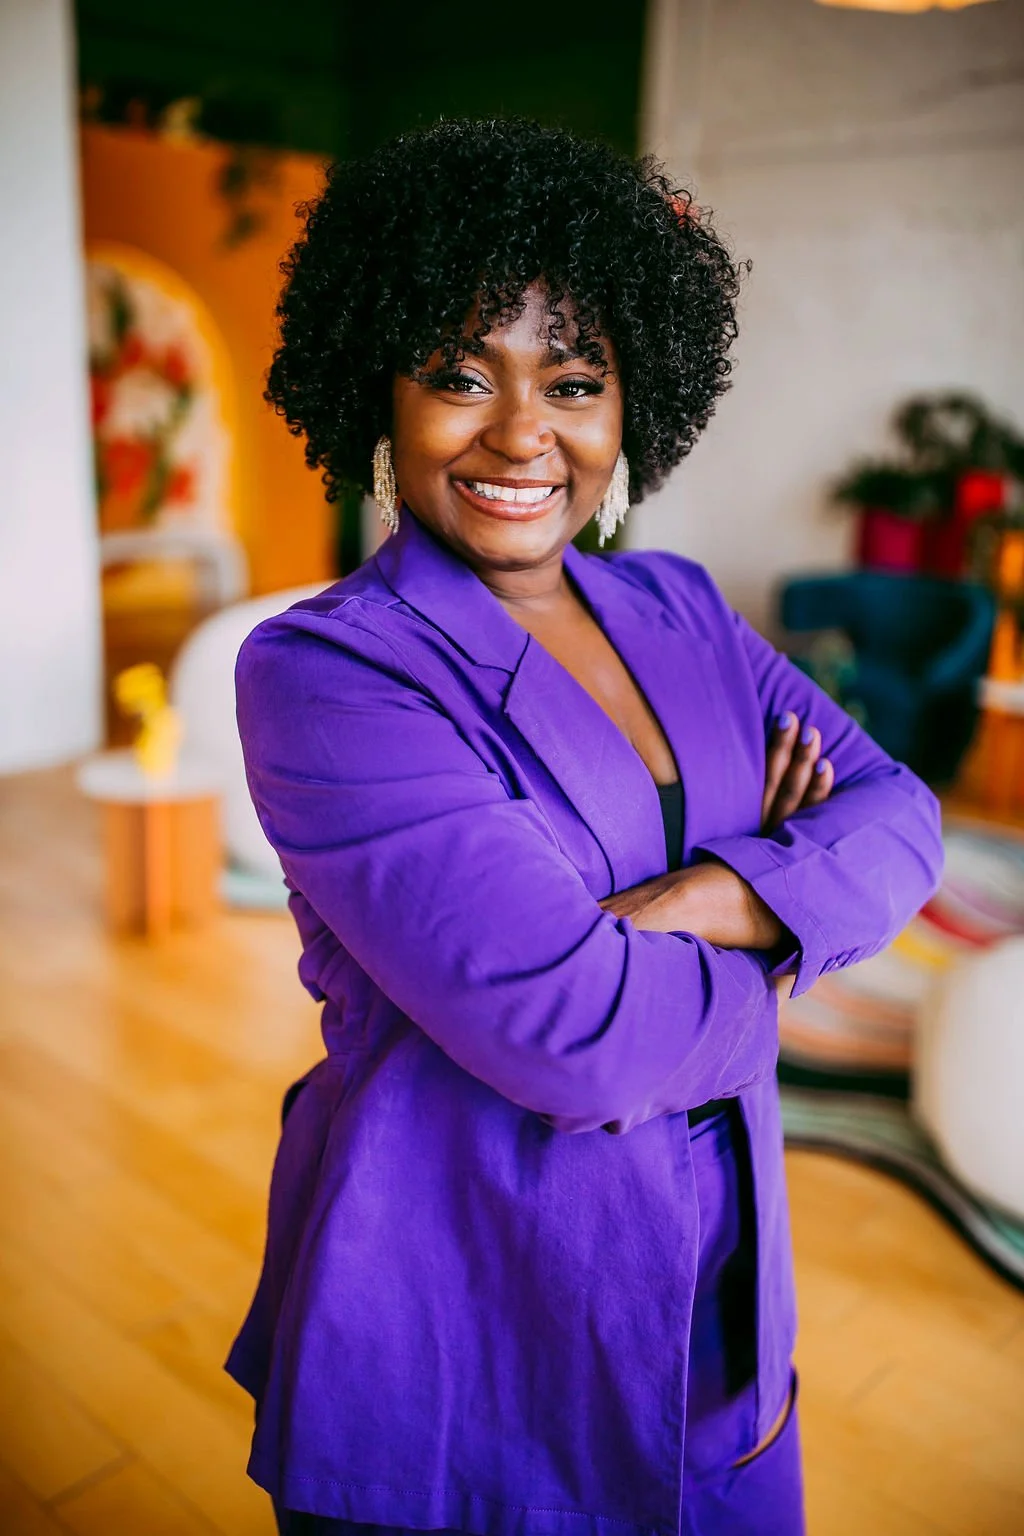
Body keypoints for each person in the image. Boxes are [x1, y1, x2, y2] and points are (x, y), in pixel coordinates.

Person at [226, 119, 943, 1536]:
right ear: (377, 384)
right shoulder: (330, 671)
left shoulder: (679, 604)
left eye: (571, 379)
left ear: (630, 405)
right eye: (455, 375)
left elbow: (903, 815)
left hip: (717, 1285)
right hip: (459, 1292)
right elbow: (577, 1032)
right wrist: (795, 913)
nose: (519, 433)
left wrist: (700, 901)